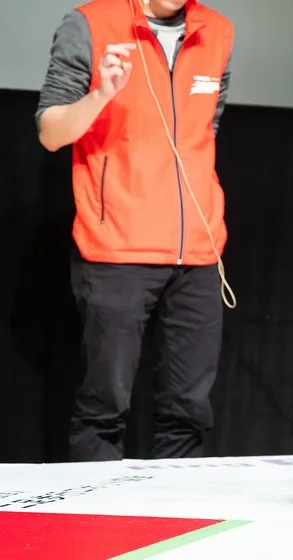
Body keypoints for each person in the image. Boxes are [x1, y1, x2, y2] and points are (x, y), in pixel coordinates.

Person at [35, 0, 234, 462]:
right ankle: (97, 506)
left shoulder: (218, 30)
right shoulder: (91, 23)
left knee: (189, 411)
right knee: (104, 408)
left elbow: (206, 128)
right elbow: (50, 132)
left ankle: (176, 505)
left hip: (198, 251)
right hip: (116, 247)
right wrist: (101, 94)